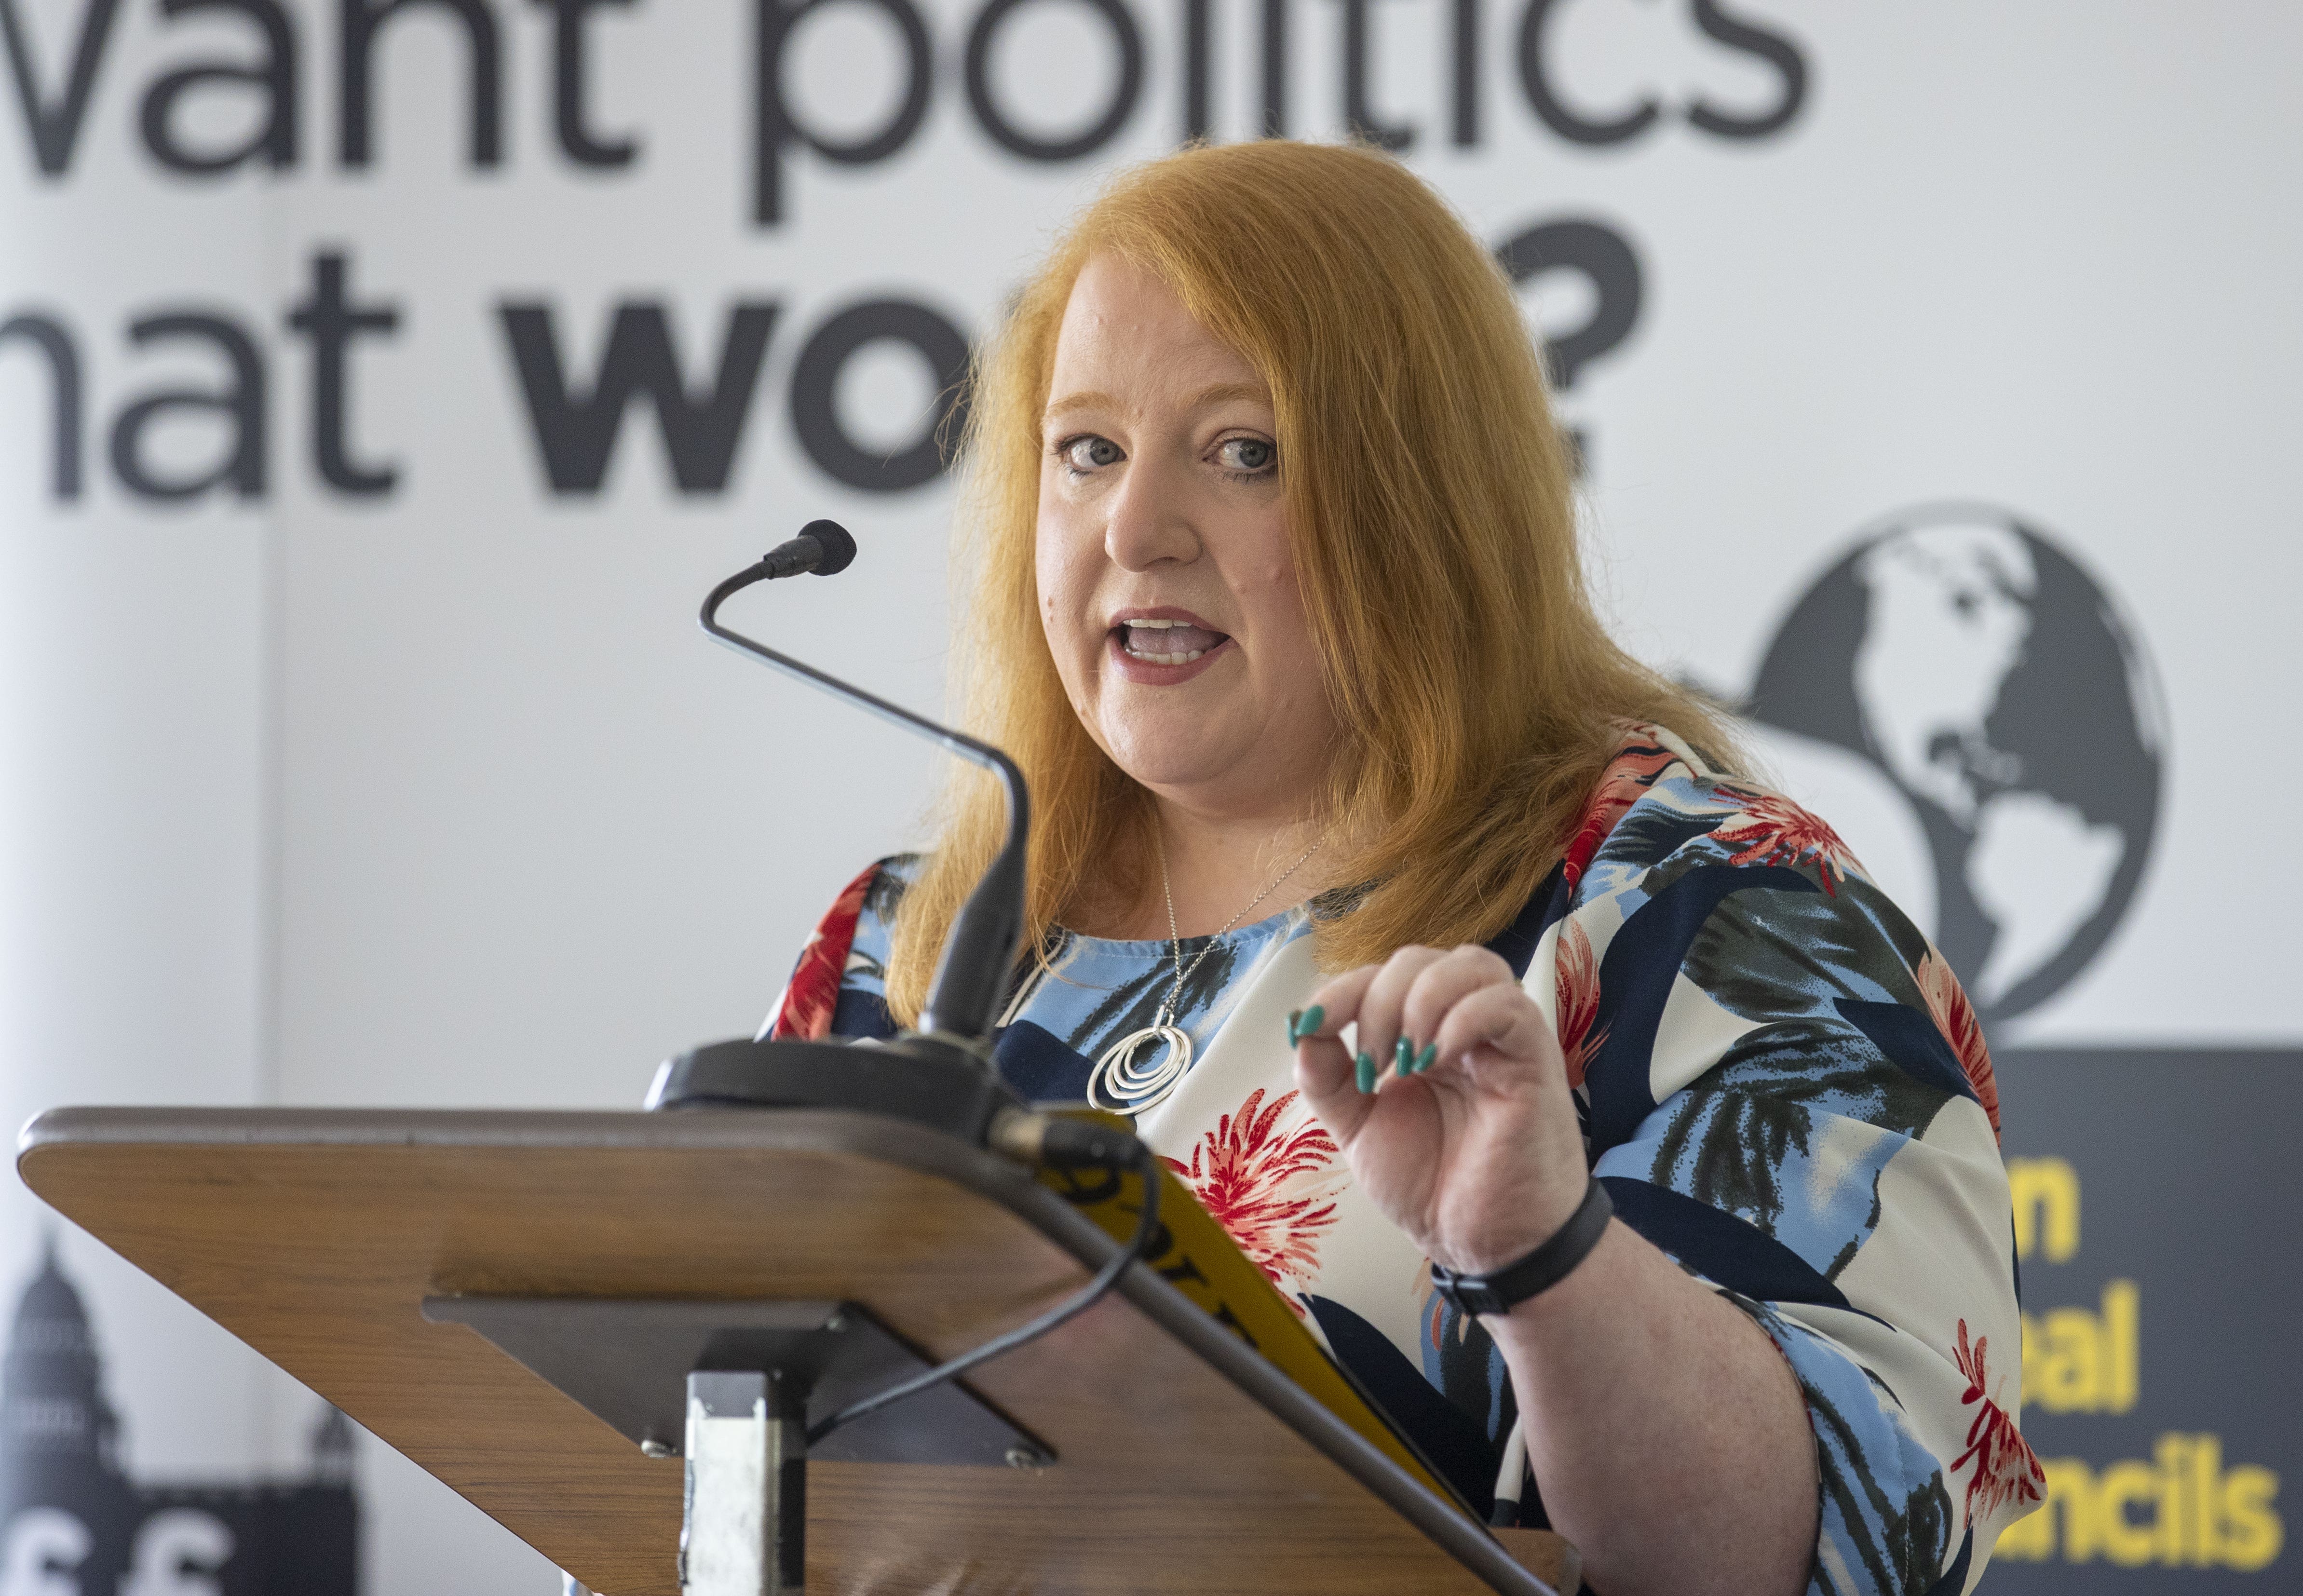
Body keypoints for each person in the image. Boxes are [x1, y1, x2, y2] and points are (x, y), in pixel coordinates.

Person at [764, 140, 2038, 1596]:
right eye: (1089, 450)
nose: (1136, 528)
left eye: (1246, 451)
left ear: (1422, 500)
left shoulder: (1710, 912)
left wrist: (1545, 1259)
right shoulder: (905, 949)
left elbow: (1829, 1544)